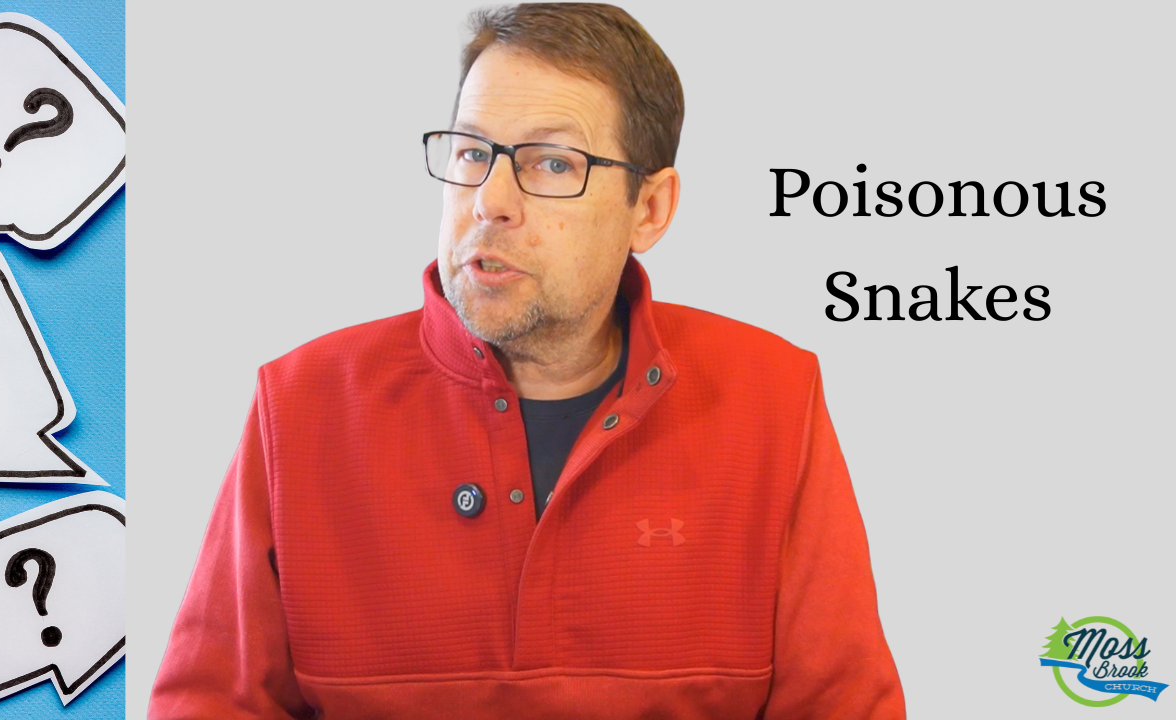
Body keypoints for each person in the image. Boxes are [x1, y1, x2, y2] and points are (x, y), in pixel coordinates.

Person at [148, 4, 905, 719]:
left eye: (551, 164)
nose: (490, 200)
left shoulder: (773, 397)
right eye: (473, 152)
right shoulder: (301, 404)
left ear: (650, 209)